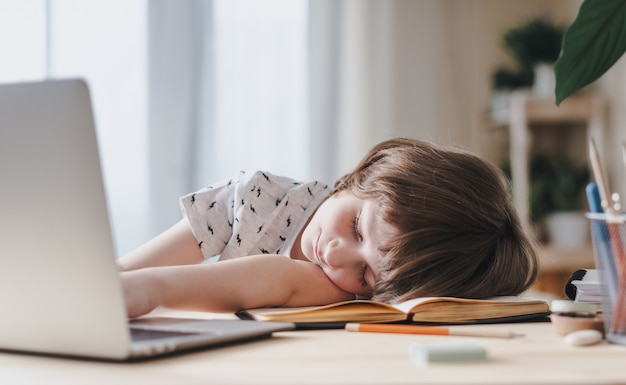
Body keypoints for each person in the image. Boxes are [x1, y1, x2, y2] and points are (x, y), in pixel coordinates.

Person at [119, 137, 538, 318]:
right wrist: (133, 286)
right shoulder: (251, 197)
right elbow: (126, 273)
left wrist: (153, 290)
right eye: (357, 227)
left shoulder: (348, 290)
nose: (335, 256)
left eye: (366, 272)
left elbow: (281, 280)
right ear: (367, 175)